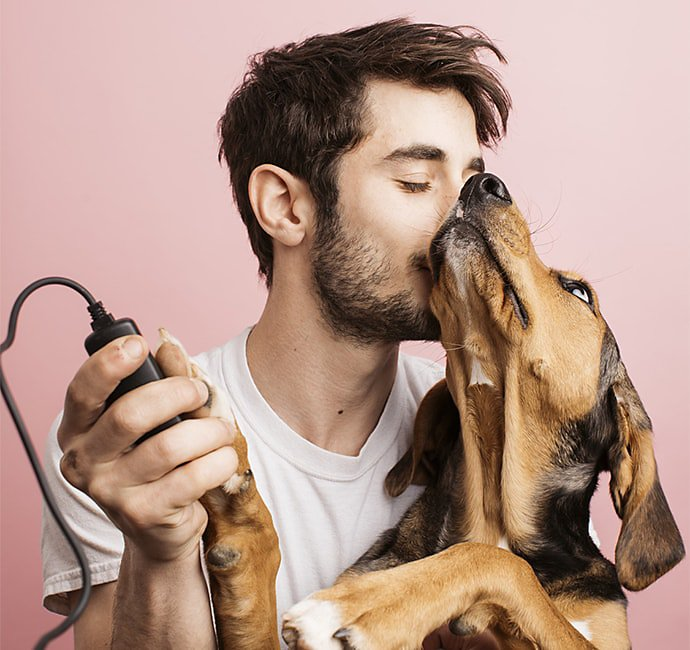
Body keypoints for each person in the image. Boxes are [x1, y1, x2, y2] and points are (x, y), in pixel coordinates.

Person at [41, 19, 511, 649]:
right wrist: (160, 554)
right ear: (287, 207)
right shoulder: (132, 448)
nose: (464, 221)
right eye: (416, 183)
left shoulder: (498, 431)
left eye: (472, 185)